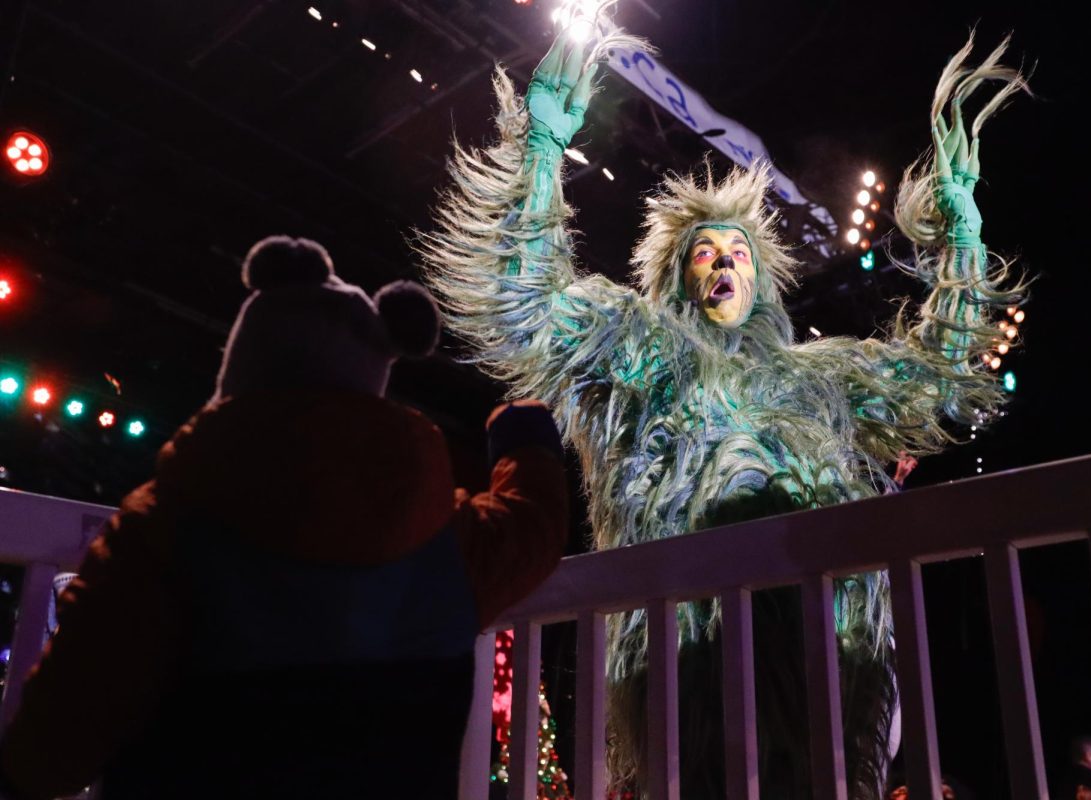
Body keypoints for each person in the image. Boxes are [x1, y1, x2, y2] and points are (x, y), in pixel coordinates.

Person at [422, 21, 1027, 798]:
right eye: (705, 250)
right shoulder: (642, 347)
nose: (724, 262)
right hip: (693, 657)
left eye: (739, 252)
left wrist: (964, 250)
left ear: (764, 282)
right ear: (676, 272)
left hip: (829, 651)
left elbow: (941, 379)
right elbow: (527, 300)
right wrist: (541, 146)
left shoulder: (821, 375)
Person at [0, 236, 568, 799]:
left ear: (240, 370)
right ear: (377, 372)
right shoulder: (441, 538)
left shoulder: (160, 529)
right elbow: (529, 531)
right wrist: (525, 444)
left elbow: (51, 750)